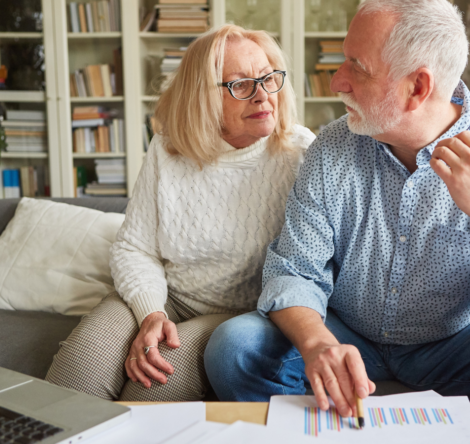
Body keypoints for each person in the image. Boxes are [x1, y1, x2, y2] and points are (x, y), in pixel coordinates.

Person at [204, 1, 470, 442]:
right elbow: (293, 271)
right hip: (347, 331)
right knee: (235, 349)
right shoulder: (332, 148)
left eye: (356, 68)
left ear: (417, 87)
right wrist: (318, 344)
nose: (337, 80)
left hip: (460, 340)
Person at [45, 24, 315, 402]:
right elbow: (135, 248)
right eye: (240, 85)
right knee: (78, 369)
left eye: (269, 78)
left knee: (151, 385)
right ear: (202, 97)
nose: (262, 95)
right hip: (169, 296)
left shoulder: (301, 153)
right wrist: (151, 314)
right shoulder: (167, 148)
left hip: (240, 315)